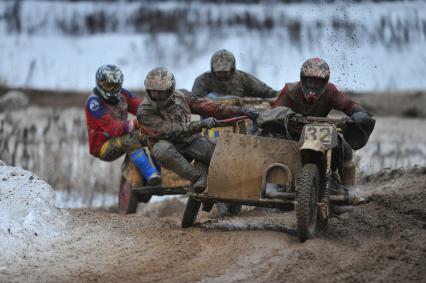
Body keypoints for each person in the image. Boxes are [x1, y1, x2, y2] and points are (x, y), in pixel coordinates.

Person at [137, 67, 257, 193]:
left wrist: (240, 110)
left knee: (219, 155)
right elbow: (169, 131)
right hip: (166, 147)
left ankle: (231, 195)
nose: (156, 96)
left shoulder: (182, 96)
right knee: (162, 149)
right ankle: (198, 177)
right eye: (153, 92)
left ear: (170, 89)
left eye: (160, 92)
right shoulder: (144, 111)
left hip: (190, 140)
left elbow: (209, 106)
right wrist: (200, 125)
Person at [273, 57, 375, 193]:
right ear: (303, 79)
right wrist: (289, 117)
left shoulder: (330, 91)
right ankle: (274, 181)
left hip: (319, 133)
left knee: (344, 146)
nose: (313, 85)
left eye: (317, 82)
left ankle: (345, 186)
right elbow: (274, 113)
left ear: (324, 82)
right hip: (291, 132)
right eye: (310, 80)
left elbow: (349, 105)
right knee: (272, 141)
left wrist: (359, 115)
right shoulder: (290, 91)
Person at [84, 64, 160, 185]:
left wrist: (156, 116)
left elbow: (142, 108)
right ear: (99, 83)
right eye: (108, 86)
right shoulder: (94, 104)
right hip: (102, 147)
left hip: (121, 135)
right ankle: (151, 174)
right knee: (128, 139)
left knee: (153, 132)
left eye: (116, 86)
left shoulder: (123, 94)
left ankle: (162, 169)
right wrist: (137, 123)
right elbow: (112, 128)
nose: (112, 90)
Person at [192, 49, 278, 99]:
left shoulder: (242, 78)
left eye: (225, 72)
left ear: (232, 69)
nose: (222, 75)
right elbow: (194, 101)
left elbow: (265, 91)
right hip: (209, 120)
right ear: (213, 70)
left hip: (239, 117)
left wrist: (280, 95)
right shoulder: (203, 80)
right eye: (219, 72)